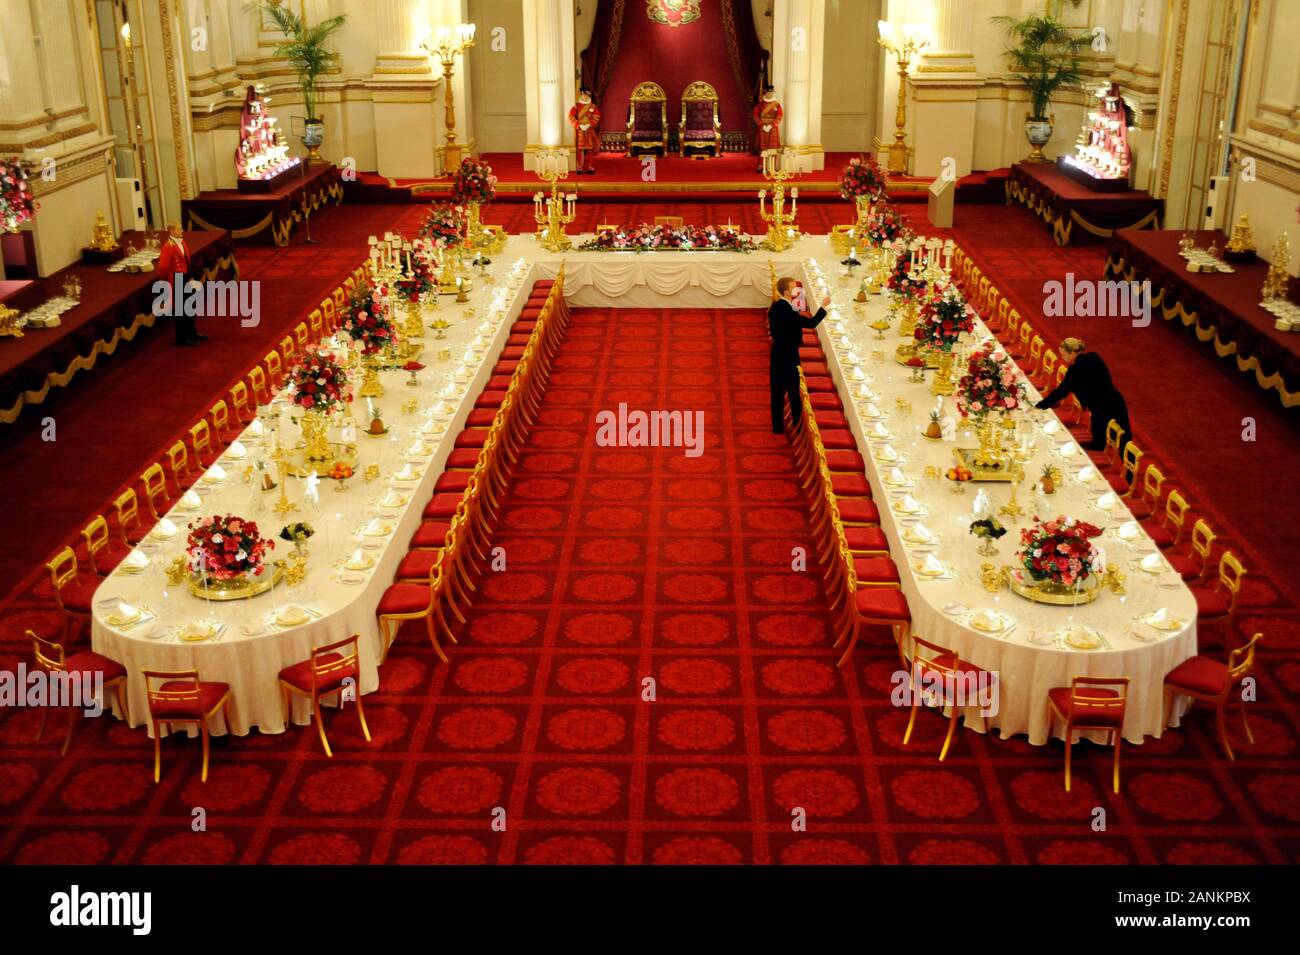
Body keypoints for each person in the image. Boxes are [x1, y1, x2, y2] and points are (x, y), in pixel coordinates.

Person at [1035, 337, 1130, 450]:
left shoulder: (1074, 371)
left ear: (1073, 353)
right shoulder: (1094, 357)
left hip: (1100, 407)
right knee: (1124, 436)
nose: (1062, 357)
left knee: (1103, 442)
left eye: (1064, 355)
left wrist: (1039, 407)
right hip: (1115, 399)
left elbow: (1060, 392)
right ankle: (1126, 463)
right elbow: (1107, 378)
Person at [769, 277, 831, 433]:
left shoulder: (777, 306)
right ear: (786, 292)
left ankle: (777, 427)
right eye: (794, 288)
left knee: (777, 393)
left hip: (777, 354)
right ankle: (797, 427)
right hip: (788, 358)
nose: (797, 291)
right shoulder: (788, 311)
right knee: (793, 394)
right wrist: (823, 306)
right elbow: (810, 323)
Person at [155, 222, 205, 346]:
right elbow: (162, 267)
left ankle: (192, 333)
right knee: (180, 311)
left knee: (189, 307)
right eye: (179, 229)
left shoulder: (182, 242)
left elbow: (188, 261)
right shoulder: (168, 247)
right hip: (177, 280)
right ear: (172, 231)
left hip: (186, 278)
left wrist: (191, 277)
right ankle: (182, 338)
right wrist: (164, 281)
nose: (182, 231)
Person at [568, 88, 602, 175]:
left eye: (586, 95)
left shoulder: (593, 106)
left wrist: (589, 124)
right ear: (580, 95)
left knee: (590, 150)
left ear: (589, 96)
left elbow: (596, 117)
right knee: (579, 150)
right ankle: (579, 167)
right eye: (583, 95)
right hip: (580, 131)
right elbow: (571, 117)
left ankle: (590, 167)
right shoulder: (576, 106)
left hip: (589, 130)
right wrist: (579, 125)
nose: (585, 96)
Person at [752, 86, 783, 172]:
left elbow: (780, 116)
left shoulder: (777, 105)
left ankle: (772, 166)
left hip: (773, 129)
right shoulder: (760, 105)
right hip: (763, 129)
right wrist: (762, 125)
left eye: (771, 93)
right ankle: (760, 166)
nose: (770, 94)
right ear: (765, 93)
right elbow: (755, 116)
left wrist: (772, 125)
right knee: (762, 148)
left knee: (773, 148)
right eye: (768, 93)